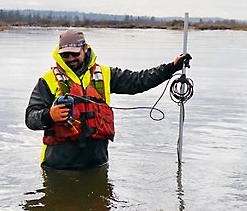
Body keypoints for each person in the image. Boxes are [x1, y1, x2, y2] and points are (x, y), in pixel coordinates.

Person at [25, 28, 192, 170]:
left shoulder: (105, 74)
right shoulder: (48, 80)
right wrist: (49, 116)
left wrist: (172, 67)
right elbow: (30, 118)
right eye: (66, 55)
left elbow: (138, 81)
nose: (70, 59)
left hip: (97, 165)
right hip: (58, 168)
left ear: (85, 49)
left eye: (74, 54)